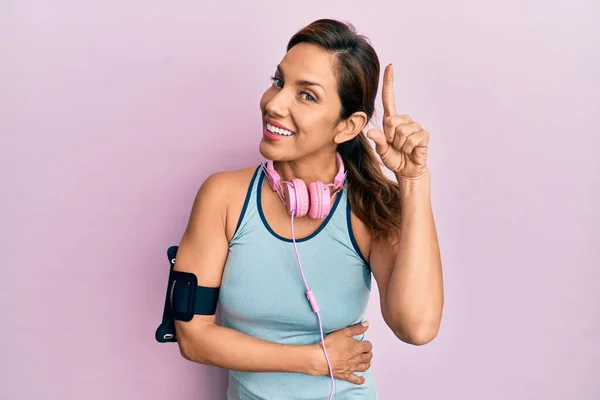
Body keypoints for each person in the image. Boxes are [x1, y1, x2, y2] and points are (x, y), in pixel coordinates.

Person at [171, 18, 444, 400]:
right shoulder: (223, 198)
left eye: (307, 95)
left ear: (348, 127)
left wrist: (414, 181)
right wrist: (315, 359)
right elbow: (192, 336)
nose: (274, 104)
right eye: (279, 82)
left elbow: (416, 327)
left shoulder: (368, 209)